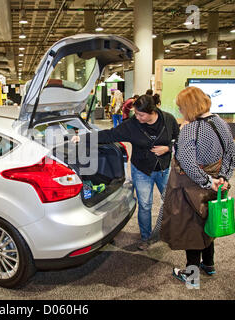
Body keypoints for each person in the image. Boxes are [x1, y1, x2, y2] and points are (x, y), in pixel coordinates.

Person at [72, 94, 179, 250]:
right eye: (135, 113)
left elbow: (178, 138)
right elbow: (110, 134)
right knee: (145, 205)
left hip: (163, 168)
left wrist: (168, 148)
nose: (137, 117)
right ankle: (146, 237)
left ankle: (170, 232)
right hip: (141, 170)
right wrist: (84, 138)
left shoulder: (168, 120)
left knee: (171, 202)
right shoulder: (132, 125)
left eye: (140, 114)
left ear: (152, 111)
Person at [160, 86, 235, 286]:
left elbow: (187, 163)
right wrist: (223, 178)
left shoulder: (191, 128)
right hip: (218, 184)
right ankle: (209, 264)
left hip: (193, 188)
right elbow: (231, 155)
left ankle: (191, 275)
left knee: (191, 229)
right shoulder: (220, 123)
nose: (180, 111)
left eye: (181, 107)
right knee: (209, 224)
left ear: (189, 106)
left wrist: (208, 182)